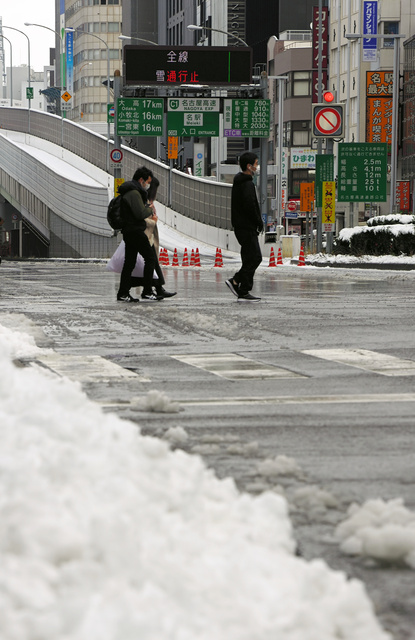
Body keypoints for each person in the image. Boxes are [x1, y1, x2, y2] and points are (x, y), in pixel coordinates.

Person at [116, 166, 162, 303]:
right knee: (150, 258)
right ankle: (147, 291)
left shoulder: (131, 191)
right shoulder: (134, 193)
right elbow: (140, 213)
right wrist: (149, 210)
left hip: (130, 231)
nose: (148, 185)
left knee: (129, 263)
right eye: (147, 182)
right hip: (135, 231)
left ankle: (123, 293)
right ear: (141, 179)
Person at [225, 152, 263, 302]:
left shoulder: (240, 182)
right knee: (255, 258)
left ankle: (243, 289)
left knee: (249, 258)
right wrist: (258, 221)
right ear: (249, 166)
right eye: (255, 163)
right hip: (247, 227)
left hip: (241, 226)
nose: (257, 167)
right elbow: (250, 206)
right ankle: (236, 281)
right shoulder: (247, 184)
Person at [130, 176, 176, 298]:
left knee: (152, 262)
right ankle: (149, 289)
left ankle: (157, 288)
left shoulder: (147, 200)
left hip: (148, 235)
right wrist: (153, 221)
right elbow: (143, 218)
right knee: (150, 261)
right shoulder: (144, 200)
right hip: (145, 235)